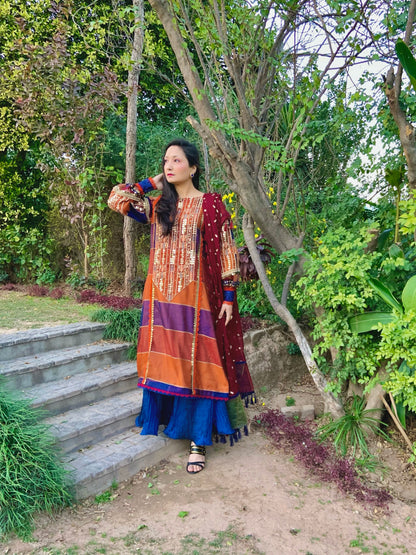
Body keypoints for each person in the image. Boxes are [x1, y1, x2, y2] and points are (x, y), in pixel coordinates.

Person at [108, 138, 254, 474]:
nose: (169, 165)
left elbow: (227, 251)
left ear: (194, 167)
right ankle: (166, 421)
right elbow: (117, 198)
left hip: (195, 297)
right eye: (165, 161)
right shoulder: (158, 204)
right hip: (158, 297)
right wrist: (151, 183)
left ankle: (198, 442)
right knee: (164, 364)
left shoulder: (210, 204)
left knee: (199, 366)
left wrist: (229, 297)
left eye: (176, 160)